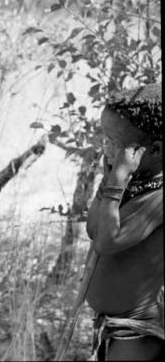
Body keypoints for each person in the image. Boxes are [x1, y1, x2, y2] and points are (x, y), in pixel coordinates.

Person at [85, 83, 163, 361]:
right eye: (105, 139)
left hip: (138, 335)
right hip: (114, 328)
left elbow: (107, 242)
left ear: (153, 150)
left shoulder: (158, 196)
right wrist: (108, 182)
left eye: (115, 143)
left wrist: (116, 181)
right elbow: (94, 230)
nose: (106, 148)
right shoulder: (131, 184)